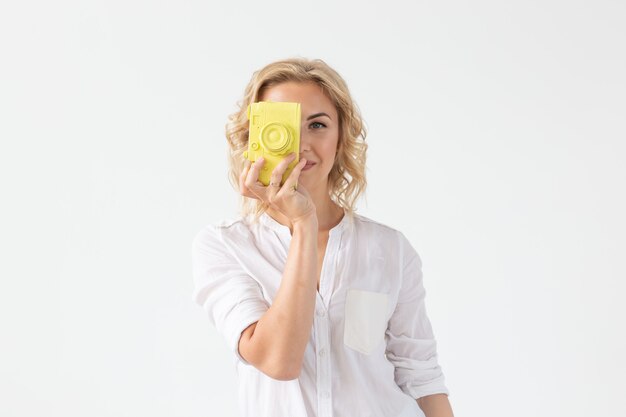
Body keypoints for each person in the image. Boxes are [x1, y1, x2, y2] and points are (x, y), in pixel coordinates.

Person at [192, 57, 454, 417]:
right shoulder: (226, 246)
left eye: (317, 124)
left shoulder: (389, 249)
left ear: (340, 137)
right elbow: (278, 361)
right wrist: (303, 224)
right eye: (280, 126)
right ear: (251, 138)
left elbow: (421, 375)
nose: (300, 143)